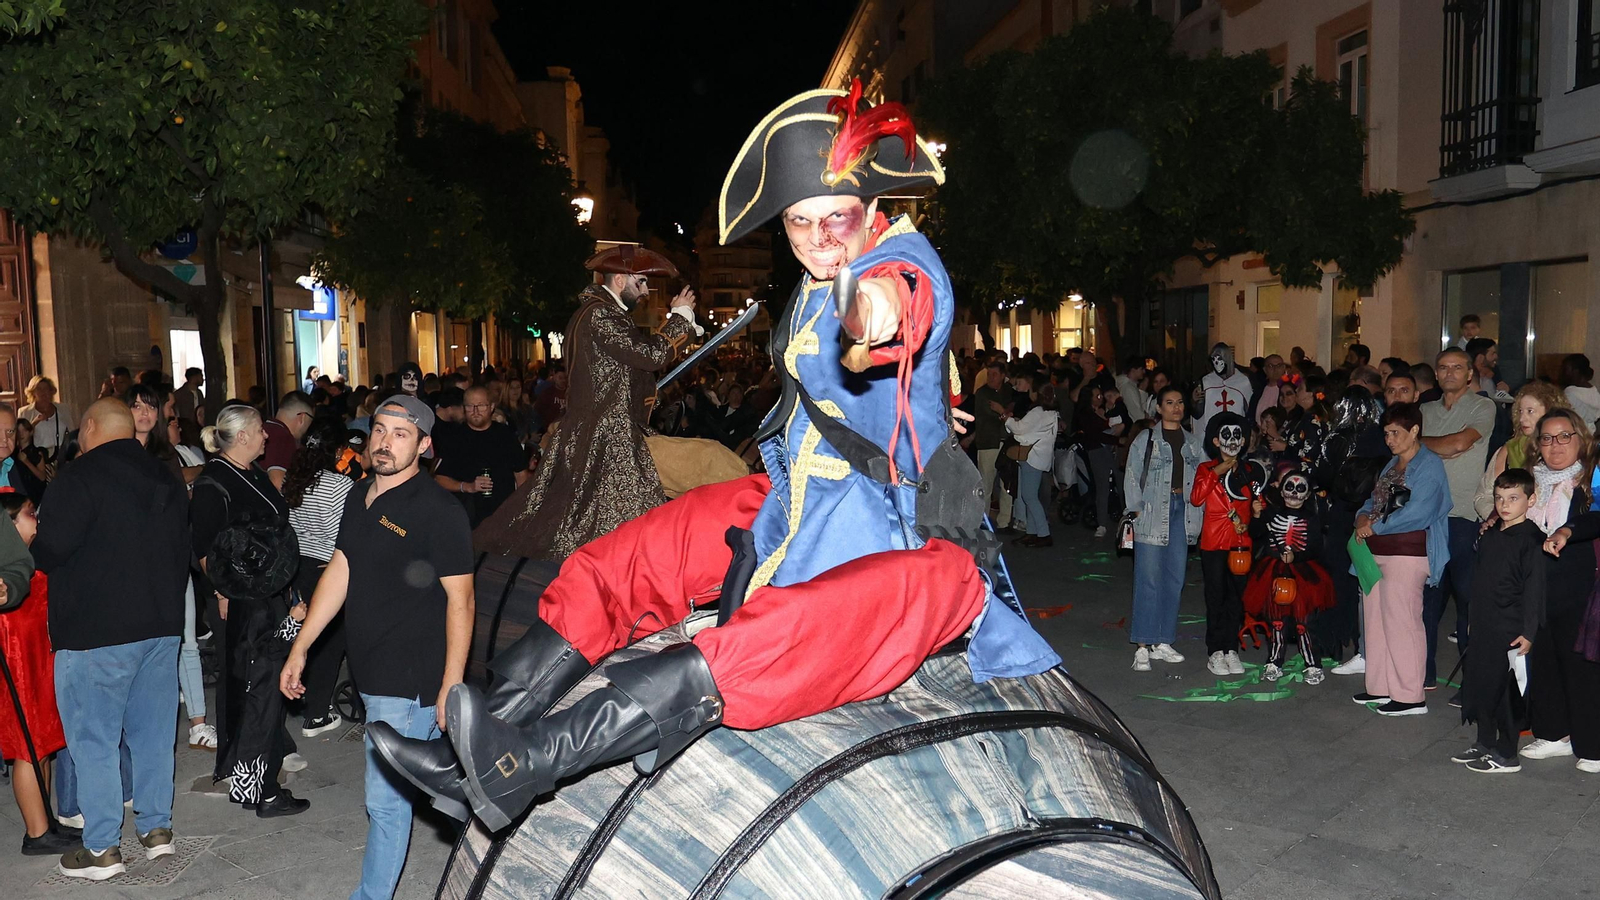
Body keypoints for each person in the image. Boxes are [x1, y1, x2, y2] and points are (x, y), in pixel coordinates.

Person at [364, 81, 1058, 834]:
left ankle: (531, 762)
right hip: (795, 498)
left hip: (896, 532)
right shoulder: (811, 280)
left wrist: (874, 312)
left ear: (869, 210)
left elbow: (900, 303)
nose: (820, 239)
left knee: (759, 646)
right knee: (623, 558)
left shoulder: (903, 259)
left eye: (837, 220)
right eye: (800, 222)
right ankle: (474, 743)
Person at [280, 397, 474, 900]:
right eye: (379, 431)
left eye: (400, 434)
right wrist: (302, 646)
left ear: (425, 445)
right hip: (370, 670)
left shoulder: (438, 510)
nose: (385, 442)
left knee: (386, 802)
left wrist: (450, 684)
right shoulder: (358, 494)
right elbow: (341, 567)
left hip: (409, 675)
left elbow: (462, 601)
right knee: (422, 788)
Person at [31, 399, 189, 878]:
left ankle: (101, 849)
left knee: (93, 739)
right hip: (161, 628)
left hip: (95, 634)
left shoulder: (77, 479)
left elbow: (50, 550)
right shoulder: (168, 476)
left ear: (92, 427)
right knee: (154, 735)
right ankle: (156, 829)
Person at [475, 246, 699, 559]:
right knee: (613, 526)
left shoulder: (604, 314)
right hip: (607, 436)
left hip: (608, 430)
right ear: (620, 280)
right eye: (641, 282)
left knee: (597, 524)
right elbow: (651, 355)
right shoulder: (600, 314)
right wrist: (680, 318)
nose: (646, 290)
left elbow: (631, 365)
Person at [190, 405, 308, 818]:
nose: (266, 437)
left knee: (271, 688)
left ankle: (266, 780)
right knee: (257, 692)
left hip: (271, 597)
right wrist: (225, 591)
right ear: (241, 437)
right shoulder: (214, 483)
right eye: (260, 431)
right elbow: (204, 550)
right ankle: (260, 787)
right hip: (247, 605)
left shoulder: (252, 472)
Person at [1352, 402, 1454, 717]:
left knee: (1403, 621)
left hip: (1408, 552)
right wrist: (1361, 518)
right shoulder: (1392, 465)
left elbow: (1420, 512)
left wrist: (1374, 526)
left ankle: (1411, 696)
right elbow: (1373, 500)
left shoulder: (1430, 465)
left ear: (1414, 430)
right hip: (1378, 549)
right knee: (1376, 621)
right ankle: (1381, 687)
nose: (1390, 439)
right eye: (1386, 433)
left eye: (1396, 432)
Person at [1523, 411, 1600, 773]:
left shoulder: (1589, 478)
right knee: (1544, 659)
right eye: (1547, 438)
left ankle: (1592, 744)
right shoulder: (1531, 481)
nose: (1556, 445)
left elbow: (1597, 517)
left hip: (1578, 579)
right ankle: (1553, 735)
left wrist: (1567, 531)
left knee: (1579, 663)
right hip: (1538, 581)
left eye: (1564, 436)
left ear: (1580, 438)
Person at [1453, 468, 1544, 773]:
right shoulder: (1491, 534)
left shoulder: (1531, 540)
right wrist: (1471, 621)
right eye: (1499, 498)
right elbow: (1480, 581)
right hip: (1484, 624)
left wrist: (1529, 631)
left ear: (1531, 500)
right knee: (1481, 683)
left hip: (1510, 627)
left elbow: (1535, 590)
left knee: (1506, 691)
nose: (1505, 505)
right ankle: (1484, 741)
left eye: (1514, 498)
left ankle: (1508, 753)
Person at [1420, 349, 1497, 688]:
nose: (1449, 373)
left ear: (1469, 374)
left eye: (1457, 367)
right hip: (1425, 517)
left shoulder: (1483, 406)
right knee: (1426, 601)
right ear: (1436, 374)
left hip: (1463, 516)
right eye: (1443, 367)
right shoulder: (1424, 410)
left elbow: (1458, 444)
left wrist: (1416, 442)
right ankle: (1421, 674)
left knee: (1468, 600)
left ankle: (1473, 683)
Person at [0, 492, 72, 855]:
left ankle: (46, 819)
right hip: (19, 671)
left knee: (40, 746)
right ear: (10, 525)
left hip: (37, 669)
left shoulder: (31, 563)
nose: (37, 520)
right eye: (30, 514)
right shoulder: (8, 576)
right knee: (26, 748)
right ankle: (36, 832)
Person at [282, 420, 355, 738]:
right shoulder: (339, 485)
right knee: (331, 644)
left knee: (309, 638)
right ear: (338, 450)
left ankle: (302, 699)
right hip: (331, 570)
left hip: (303, 567)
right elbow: (348, 536)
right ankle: (316, 715)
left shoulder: (294, 480)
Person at [1125, 385, 1203, 672]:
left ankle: (1164, 640)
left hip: (1183, 511)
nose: (1176, 408)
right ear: (1158, 407)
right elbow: (1132, 475)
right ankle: (1143, 645)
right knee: (1148, 579)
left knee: (1174, 578)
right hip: (1152, 510)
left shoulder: (1194, 443)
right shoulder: (1147, 439)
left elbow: (1203, 481)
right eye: (1169, 403)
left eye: (1180, 402)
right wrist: (1135, 510)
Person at [1244, 469, 1333, 682]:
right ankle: (1274, 661)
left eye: (1300, 488)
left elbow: (1316, 548)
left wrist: (1297, 557)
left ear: (1307, 494)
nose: (1294, 493)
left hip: (1303, 574)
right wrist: (1256, 516)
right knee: (1277, 621)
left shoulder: (1312, 519)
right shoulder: (1272, 514)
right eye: (1289, 487)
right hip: (1272, 571)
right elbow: (1255, 534)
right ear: (1281, 491)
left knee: (1304, 623)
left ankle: (1313, 663)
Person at [1192, 412, 1260, 676]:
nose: (1232, 440)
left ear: (1243, 440)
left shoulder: (1250, 471)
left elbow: (1257, 503)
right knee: (1215, 596)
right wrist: (1218, 471)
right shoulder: (1205, 469)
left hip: (1241, 542)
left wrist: (1256, 511)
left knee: (1236, 597)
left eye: (1237, 435)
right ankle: (1215, 650)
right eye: (1226, 435)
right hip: (1213, 542)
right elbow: (1197, 497)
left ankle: (1231, 647)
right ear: (1216, 440)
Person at [431, 386, 529, 529]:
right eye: (470, 406)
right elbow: (439, 479)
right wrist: (467, 487)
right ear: (464, 408)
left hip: (502, 517)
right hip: (467, 520)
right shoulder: (454, 438)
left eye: (481, 406)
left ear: (491, 407)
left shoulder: (505, 435)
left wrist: (521, 508)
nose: (475, 411)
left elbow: (521, 474)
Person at [1474, 381, 1568, 521]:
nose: (1523, 418)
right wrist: (1497, 518)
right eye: (1520, 411)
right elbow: (1482, 496)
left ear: (1550, 412)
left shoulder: (1562, 453)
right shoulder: (1507, 450)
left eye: (1530, 411)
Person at [1005, 381, 1059, 548]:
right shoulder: (1052, 414)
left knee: (1028, 496)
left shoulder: (1037, 412)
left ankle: (1043, 533)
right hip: (1041, 457)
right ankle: (1032, 532)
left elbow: (1020, 429)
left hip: (1031, 457)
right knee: (1030, 495)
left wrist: (1006, 418)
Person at [968, 362, 1017, 532]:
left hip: (1005, 441)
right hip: (989, 442)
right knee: (986, 484)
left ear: (1003, 375)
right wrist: (1004, 413)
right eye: (989, 374)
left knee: (1006, 484)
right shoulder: (982, 394)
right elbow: (993, 415)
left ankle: (1004, 521)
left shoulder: (1007, 391)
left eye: (994, 374)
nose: (990, 377)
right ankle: (984, 522)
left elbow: (1008, 411)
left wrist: (1003, 412)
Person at [1074, 382, 1123, 537]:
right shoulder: (1086, 415)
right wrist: (1116, 440)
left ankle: (1126, 519)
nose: (1101, 398)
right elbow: (1095, 434)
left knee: (1122, 483)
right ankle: (1102, 524)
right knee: (1102, 486)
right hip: (1097, 451)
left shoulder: (1104, 411)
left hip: (1110, 450)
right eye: (1098, 396)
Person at [262, 391, 315, 491]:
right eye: (311, 420)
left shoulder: (264, 429)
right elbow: (278, 483)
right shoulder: (283, 437)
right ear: (302, 417)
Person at [18, 375, 72, 460]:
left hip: (62, 457)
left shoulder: (63, 409)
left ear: (51, 391)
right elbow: (21, 438)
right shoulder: (25, 412)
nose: (43, 392)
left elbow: (72, 431)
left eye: (46, 389)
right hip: (38, 459)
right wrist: (34, 423)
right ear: (33, 392)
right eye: (39, 389)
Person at [1558, 353, 1600, 429]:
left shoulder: (1570, 393)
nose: (1562, 373)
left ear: (1575, 371)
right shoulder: (1594, 391)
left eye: (1565, 369)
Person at [1250, 355, 1285, 426]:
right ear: (1265, 370)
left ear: (1284, 368)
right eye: (1271, 366)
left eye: (1279, 365)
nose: (1275, 369)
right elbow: (1251, 413)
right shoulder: (1259, 390)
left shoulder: (1288, 390)